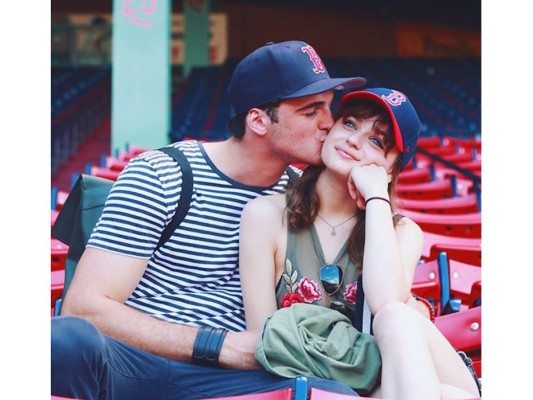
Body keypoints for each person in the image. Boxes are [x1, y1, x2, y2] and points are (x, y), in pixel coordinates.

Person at [51, 40, 368, 400]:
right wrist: (221, 346)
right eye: (311, 111)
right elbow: (86, 306)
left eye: (329, 107)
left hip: (235, 379)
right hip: (137, 364)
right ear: (259, 121)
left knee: (333, 393)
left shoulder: (300, 194)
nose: (330, 123)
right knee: (65, 341)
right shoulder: (163, 173)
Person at [239, 87, 481, 399]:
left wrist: (377, 196)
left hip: (413, 374)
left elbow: (385, 302)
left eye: (376, 141)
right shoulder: (265, 216)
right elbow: (264, 343)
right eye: (350, 124)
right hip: (371, 387)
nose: (354, 140)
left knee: (395, 315)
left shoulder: (403, 231)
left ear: (391, 169)